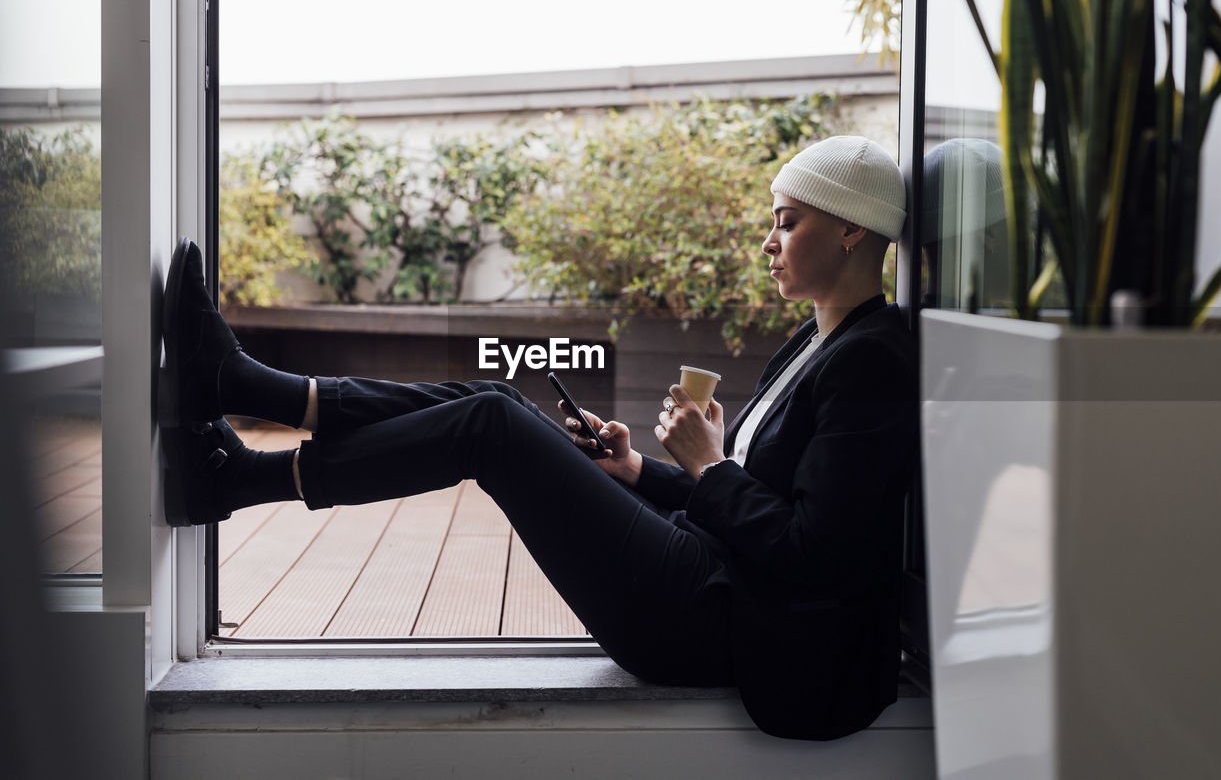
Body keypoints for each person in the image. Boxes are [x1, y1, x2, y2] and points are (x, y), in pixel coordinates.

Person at [161, 135, 917, 741]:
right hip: (710, 574)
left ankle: (241, 437)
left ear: (852, 227)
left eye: (788, 222)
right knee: (493, 397)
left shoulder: (871, 359)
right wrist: (637, 472)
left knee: (491, 425)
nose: (767, 242)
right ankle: (241, 430)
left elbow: (817, 554)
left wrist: (712, 465)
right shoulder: (817, 340)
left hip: (720, 620)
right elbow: (756, 501)